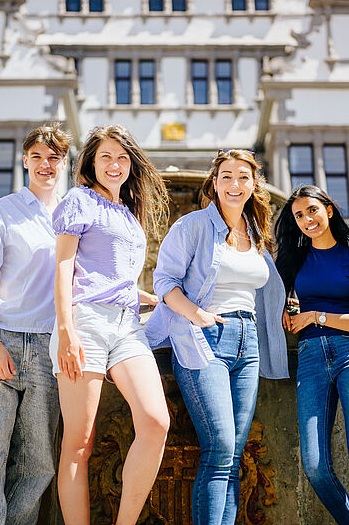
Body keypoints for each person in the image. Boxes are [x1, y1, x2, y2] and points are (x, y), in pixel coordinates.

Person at [146, 149, 288, 525]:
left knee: (234, 453)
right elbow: (164, 283)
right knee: (220, 447)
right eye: (226, 176)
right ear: (214, 183)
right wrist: (198, 316)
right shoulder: (192, 226)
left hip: (249, 342)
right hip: (206, 338)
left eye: (243, 177)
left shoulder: (256, 232)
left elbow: (264, 288)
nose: (234, 184)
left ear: (253, 183)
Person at [51, 125, 170, 525]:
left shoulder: (128, 212)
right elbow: (65, 267)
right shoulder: (80, 199)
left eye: (122, 158)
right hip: (84, 322)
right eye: (106, 157)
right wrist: (66, 332)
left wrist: (142, 295)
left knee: (156, 422)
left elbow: (108, 272)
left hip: (127, 324)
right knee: (79, 444)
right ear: (91, 162)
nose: (115, 165)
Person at [0, 125, 70, 525]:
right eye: (38, 156)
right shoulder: (2, 211)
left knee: (38, 460)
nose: (46, 165)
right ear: (25, 160)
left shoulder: (70, 214)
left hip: (48, 346)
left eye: (54, 157)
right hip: (1, 337)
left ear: (64, 163)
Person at [274, 185, 349, 525]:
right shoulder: (294, 260)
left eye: (312, 211)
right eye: (299, 216)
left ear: (329, 210)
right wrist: (282, 309)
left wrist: (316, 316)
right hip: (310, 357)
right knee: (315, 465)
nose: (307, 220)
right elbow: (271, 295)